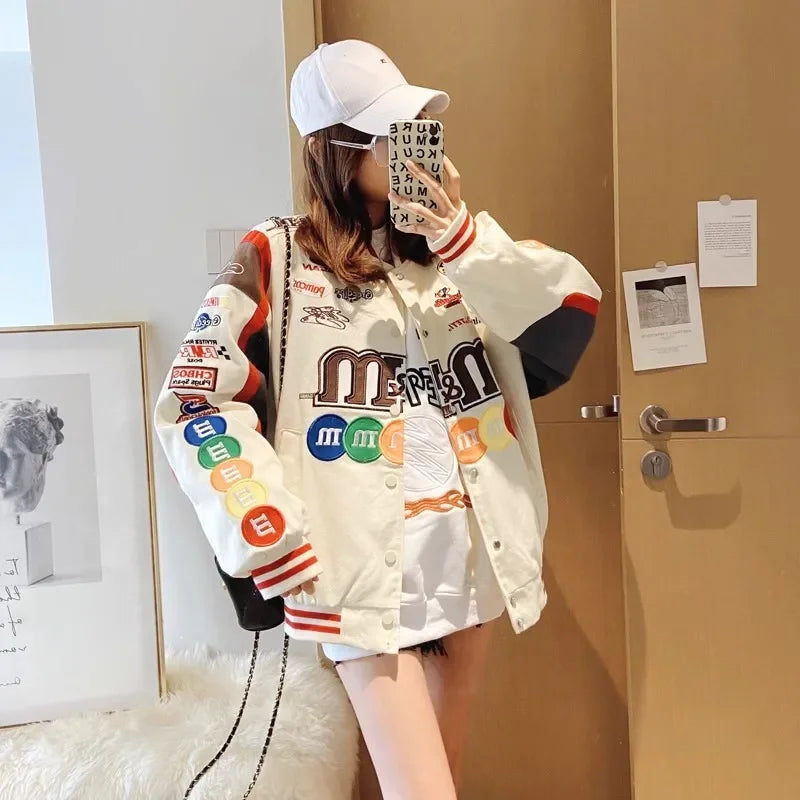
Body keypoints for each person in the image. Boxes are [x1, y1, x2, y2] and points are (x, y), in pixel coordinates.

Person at [154, 39, 601, 800]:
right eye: (387, 131)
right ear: (337, 148)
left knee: (440, 776)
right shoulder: (278, 257)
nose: (408, 145)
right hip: (355, 572)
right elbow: (196, 400)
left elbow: (569, 317)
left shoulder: (459, 252)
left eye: (414, 125)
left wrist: (460, 239)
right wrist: (268, 534)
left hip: (468, 556)